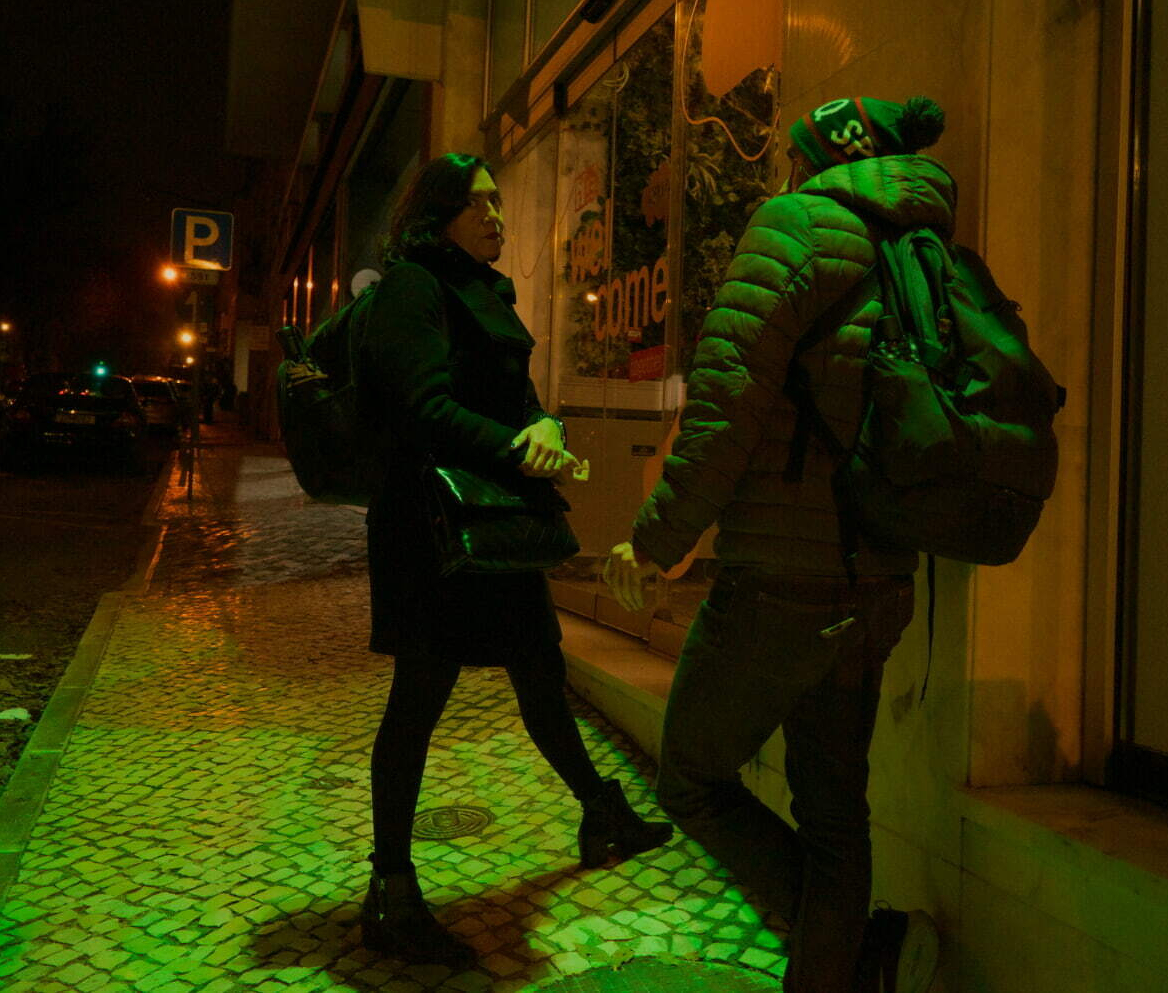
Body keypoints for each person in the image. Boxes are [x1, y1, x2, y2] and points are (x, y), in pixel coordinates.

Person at [603, 96, 949, 993]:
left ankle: (851, 950)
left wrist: (655, 541)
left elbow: (726, 406)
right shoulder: (923, 249)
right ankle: (847, 961)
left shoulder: (793, 227)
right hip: (880, 582)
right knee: (835, 812)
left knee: (690, 778)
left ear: (815, 159)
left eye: (792, 153)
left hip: (781, 587)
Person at [356, 152, 671, 967]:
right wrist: (517, 449)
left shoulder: (489, 291)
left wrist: (547, 428)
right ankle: (390, 890)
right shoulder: (413, 287)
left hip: (493, 520)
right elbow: (422, 409)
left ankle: (600, 810)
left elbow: (517, 396)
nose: (497, 216)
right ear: (439, 214)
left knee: (539, 668)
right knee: (419, 698)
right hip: (432, 529)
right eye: (480, 204)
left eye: (498, 202)